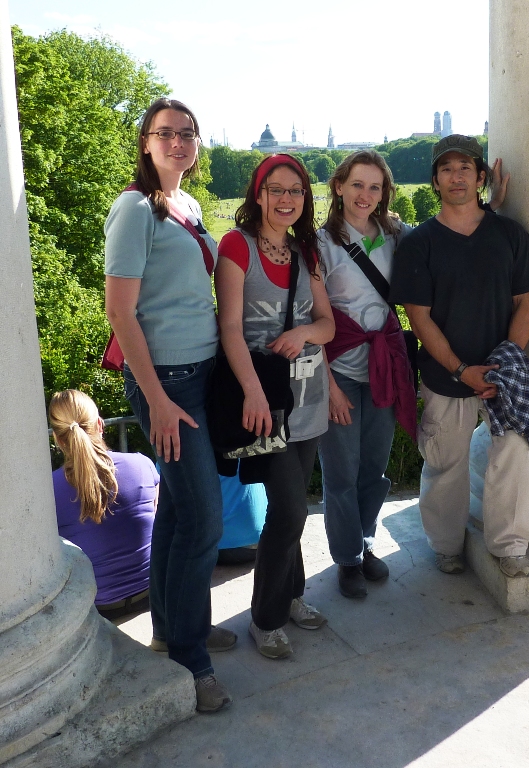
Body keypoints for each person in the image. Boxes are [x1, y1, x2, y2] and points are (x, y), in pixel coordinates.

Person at [104, 98, 232, 712]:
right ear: (146, 143)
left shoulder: (187, 206)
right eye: (165, 134)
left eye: (187, 133)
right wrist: (154, 398)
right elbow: (119, 312)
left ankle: (172, 629)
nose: (178, 142)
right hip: (167, 383)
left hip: (201, 372)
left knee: (181, 514)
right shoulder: (134, 209)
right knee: (205, 519)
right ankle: (191, 658)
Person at [390, 134, 529, 578]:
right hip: (445, 375)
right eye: (446, 169)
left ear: (481, 177)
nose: (456, 176)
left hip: (504, 372)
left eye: (465, 168)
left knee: (515, 454)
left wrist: (506, 364)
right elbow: (418, 318)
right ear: (435, 181)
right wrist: (462, 369)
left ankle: (510, 545)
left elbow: (526, 302)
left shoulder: (510, 234)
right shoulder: (419, 243)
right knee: (446, 463)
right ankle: (446, 545)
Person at [215, 154, 334, 659]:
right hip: (263, 394)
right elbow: (230, 329)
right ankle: (265, 619)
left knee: (295, 505)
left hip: (307, 395)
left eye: (296, 191)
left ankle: (293, 595)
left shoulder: (307, 252)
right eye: (276, 189)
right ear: (258, 194)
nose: (286, 199)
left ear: (306, 199)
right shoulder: (236, 245)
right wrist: (254, 393)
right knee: (287, 509)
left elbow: (327, 324)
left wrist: (304, 331)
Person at [317, 151, 416, 599]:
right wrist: (328, 387)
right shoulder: (320, 244)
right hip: (338, 369)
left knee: (373, 468)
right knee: (340, 471)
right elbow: (307, 316)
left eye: (375, 187)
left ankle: (365, 541)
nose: (365, 195)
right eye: (358, 185)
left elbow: (447, 236)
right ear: (340, 186)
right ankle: (347, 559)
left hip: (382, 366)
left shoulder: (394, 234)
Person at [49, 389, 158, 619]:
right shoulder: (142, 465)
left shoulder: (48, 492)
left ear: (58, 440)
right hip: (155, 591)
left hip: (101, 608)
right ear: (100, 424)